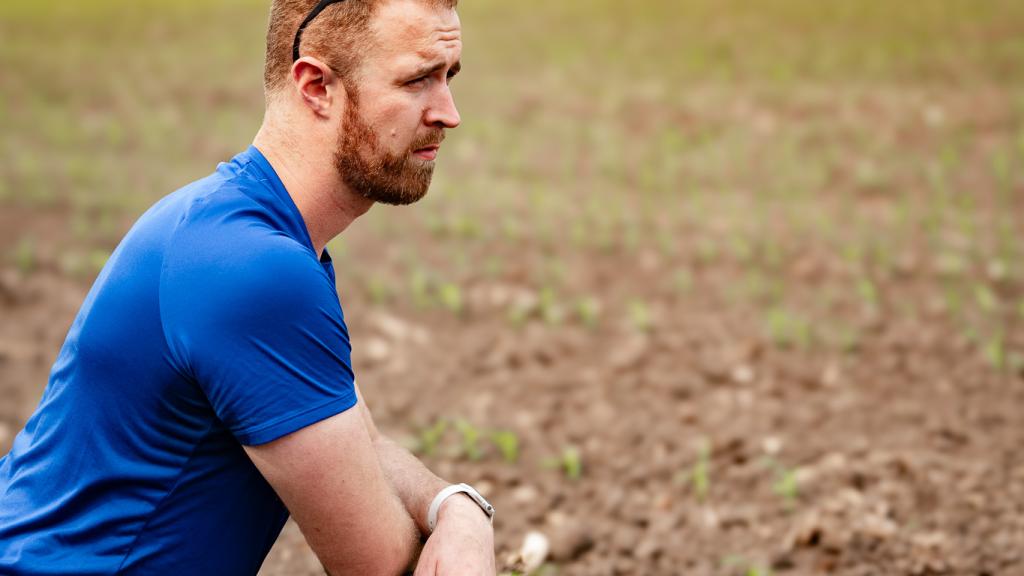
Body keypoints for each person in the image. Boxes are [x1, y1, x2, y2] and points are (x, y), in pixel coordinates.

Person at [0, 0, 496, 574]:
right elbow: (379, 564)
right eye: (417, 80)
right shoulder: (255, 271)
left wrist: (456, 506)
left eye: (448, 77)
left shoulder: (242, 230)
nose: (449, 113)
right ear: (316, 87)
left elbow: (365, 448)